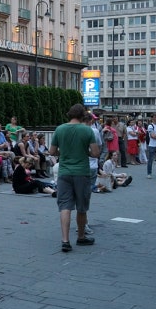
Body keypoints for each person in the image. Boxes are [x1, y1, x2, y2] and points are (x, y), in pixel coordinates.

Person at [49, 104, 100, 253]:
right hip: (81, 173)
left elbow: (52, 151)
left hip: (64, 172)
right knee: (81, 206)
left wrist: (64, 152)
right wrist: (84, 152)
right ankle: (81, 236)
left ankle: (65, 240)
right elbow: (95, 153)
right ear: (82, 115)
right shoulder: (87, 130)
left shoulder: (60, 129)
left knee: (65, 206)